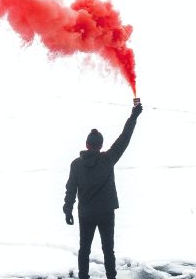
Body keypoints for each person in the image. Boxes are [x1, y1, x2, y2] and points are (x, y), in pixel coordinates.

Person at [63, 100, 144, 279]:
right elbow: (124, 138)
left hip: (85, 214)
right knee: (108, 249)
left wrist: (68, 210)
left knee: (84, 250)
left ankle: (83, 277)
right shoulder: (107, 159)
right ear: (100, 145)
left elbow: (70, 189)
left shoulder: (76, 165)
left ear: (87, 144)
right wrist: (134, 116)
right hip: (106, 213)